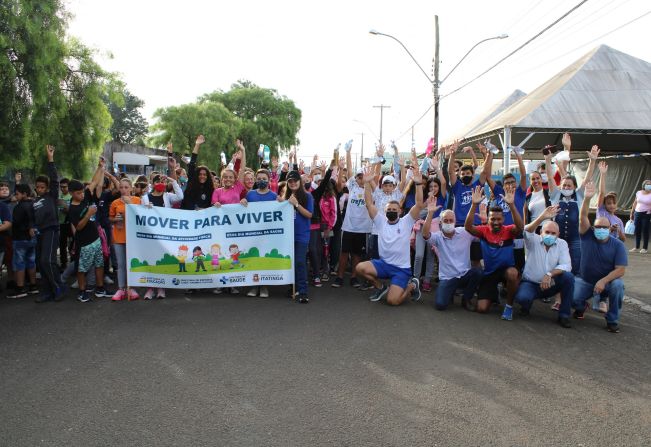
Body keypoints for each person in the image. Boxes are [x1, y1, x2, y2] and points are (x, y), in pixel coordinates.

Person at [355, 150, 424, 306]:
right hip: (384, 265)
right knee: (360, 268)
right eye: (389, 210)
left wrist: (419, 184)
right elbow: (369, 204)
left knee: (393, 301)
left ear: (400, 210)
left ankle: (412, 285)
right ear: (384, 211)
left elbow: (419, 204)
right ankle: (380, 287)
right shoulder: (380, 221)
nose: (391, 211)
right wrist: (366, 183)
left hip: (401, 269)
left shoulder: (406, 222)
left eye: (394, 210)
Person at [573, 182, 628, 333]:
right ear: (593, 228)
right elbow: (582, 216)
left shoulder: (617, 245)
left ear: (610, 228)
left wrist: (604, 281)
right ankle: (581, 306)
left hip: (607, 283)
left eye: (604, 227)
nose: (601, 229)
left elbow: (621, 270)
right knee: (572, 298)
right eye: (598, 227)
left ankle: (612, 319)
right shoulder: (587, 236)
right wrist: (587, 198)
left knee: (618, 286)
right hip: (586, 280)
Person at [464, 185, 524, 319]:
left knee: (513, 273)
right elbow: (468, 227)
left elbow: (520, 227)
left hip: (505, 271)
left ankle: (508, 307)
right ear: (489, 219)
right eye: (493, 219)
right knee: (481, 309)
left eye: (498, 219)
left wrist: (512, 205)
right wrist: (474, 204)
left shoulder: (508, 230)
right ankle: (493, 295)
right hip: (490, 273)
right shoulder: (484, 230)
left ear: (503, 219)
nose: (496, 222)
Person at [514, 205, 574, 327]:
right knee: (522, 298)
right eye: (547, 232)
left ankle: (564, 315)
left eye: (553, 233)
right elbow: (526, 230)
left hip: (551, 284)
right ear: (540, 232)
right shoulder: (533, 241)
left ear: (558, 234)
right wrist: (542, 217)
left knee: (568, 278)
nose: (550, 235)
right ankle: (526, 306)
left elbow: (566, 265)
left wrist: (549, 274)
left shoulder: (562, 244)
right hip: (531, 283)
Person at [67, 159, 112, 302]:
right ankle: (82, 291)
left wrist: (100, 168)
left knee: (99, 264)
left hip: (95, 239)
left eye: (82, 192)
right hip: (84, 243)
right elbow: (79, 226)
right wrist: (88, 214)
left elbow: (93, 183)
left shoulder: (85, 195)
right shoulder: (73, 208)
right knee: (82, 268)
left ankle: (100, 288)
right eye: (78, 193)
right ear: (71, 193)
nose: (82, 195)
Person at [421, 206, 480, 311]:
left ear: (455, 221)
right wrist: (430, 213)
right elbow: (425, 234)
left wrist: (483, 221)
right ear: (440, 223)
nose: (448, 223)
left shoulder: (465, 232)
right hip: (447, 278)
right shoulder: (438, 237)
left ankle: (466, 299)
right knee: (440, 305)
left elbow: (481, 234)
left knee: (478, 272)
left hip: (464, 274)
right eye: (445, 221)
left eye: (451, 220)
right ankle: (450, 292)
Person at [332, 141, 372, 289]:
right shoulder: (353, 185)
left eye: (362, 176)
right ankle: (340, 277)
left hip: (363, 228)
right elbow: (349, 170)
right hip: (349, 226)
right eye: (359, 176)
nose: (360, 178)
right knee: (344, 253)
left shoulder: (371, 189)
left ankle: (354, 277)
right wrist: (348, 152)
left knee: (357, 255)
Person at [481, 143, 527, 271]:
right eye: (507, 183)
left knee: (518, 266)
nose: (510, 185)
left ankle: (515, 289)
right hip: (501, 234)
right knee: (502, 264)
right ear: (504, 185)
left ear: (516, 184)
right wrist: (490, 154)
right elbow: (488, 176)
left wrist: (518, 156)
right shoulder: (499, 193)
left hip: (517, 234)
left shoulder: (520, 192)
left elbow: (523, 175)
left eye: (512, 182)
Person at [141, 173, 183, 299]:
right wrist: (145, 209)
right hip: (150, 236)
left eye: (163, 182)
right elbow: (140, 214)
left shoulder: (168, 196)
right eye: (158, 181)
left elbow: (180, 196)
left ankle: (161, 288)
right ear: (153, 184)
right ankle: (150, 289)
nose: (161, 183)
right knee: (150, 260)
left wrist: (172, 180)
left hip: (164, 236)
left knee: (160, 261)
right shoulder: (145, 198)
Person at [32, 145, 65, 302]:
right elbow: (32, 218)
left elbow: (54, 180)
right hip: (39, 232)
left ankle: (57, 287)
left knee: (48, 260)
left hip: (51, 231)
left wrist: (50, 159)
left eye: (42, 187)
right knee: (41, 262)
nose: (40, 189)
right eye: (38, 187)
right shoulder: (34, 201)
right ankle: (46, 291)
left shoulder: (51, 196)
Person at [447, 142, 486, 267]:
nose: (465, 176)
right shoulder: (457, 186)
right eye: (463, 174)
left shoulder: (477, 185)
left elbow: (485, 172)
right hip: (460, 226)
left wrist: (485, 154)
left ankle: (476, 282)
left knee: (475, 259)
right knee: (459, 257)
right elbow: (450, 172)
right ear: (459, 175)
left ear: (473, 175)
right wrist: (453, 155)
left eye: (468, 174)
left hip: (475, 226)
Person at [279, 170, 313, 303]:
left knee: (300, 261)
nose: (293, 183)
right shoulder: (285, 196)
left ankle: (303, 291)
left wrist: (297, 205)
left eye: (295, 181)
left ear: (300, 181)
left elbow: (309, 215)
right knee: (290, 262)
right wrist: (280, 203)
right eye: (290, 181)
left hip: (301, 235)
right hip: (287, 235)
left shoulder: (307, 197)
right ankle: (294, 287)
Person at [244, 168, 277, 298]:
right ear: (256, 181)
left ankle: (264, 286)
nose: (261, 181)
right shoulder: (250, 195)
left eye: (264, 179)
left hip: (267, 234)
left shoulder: (274, 196)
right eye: (259, 179)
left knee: (263, 259)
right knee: (254, 258)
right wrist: (243, 202)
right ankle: (254, 285)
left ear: (269, 180)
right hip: (253, 234)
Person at [109, 178, 141, 301]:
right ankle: (121, 288)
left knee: (131, 264)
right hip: (119, 237)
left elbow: (142, 216)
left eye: (126, 187)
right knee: (121, 264)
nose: (123, 190)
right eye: (121, 187)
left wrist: (130, 204)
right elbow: (110, 218)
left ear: (131, 188)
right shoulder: (115, 203)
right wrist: (114, 219)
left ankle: (131, 288)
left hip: (133, 238)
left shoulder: (137, 200)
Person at [7, 184, 38, 298]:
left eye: (17, 194)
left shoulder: (19, 207)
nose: (15, 196)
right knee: (31, 261)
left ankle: (20, 288)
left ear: (24, 194)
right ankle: (33, 285)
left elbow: (15, 222)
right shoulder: (34, 204)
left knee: (19, 263)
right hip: (32, 238)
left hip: (20, 238)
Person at [181, 135, 214, 211]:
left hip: (202, 220)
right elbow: (192, 164)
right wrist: (197, 145)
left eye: (205, 175)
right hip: (187, 217)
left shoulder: (210, 189)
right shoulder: (191, 182)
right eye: (200, 174)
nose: (202, 176)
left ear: (208, 176)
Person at [596, 162, 625, 243]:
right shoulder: (601, 211)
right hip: (599, 244)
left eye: (614, 203)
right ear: (604, 204)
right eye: (609, 203)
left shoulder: (618, 221)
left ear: (616, 204)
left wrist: (618, 230)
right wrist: (603, 174)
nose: (612, 205)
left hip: (612, 247)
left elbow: (623, 239)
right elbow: (601, 192)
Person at [629, 179, 651, 254]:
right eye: (648, 184)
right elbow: (635, 202)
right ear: (644, 185)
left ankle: (645, 248)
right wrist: (632, 212)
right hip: (637, 213)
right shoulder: (638, 193)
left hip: (646, 214)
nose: (649, 186)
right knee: (637, 230)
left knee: (645, 230)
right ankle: (636, 247)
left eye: (650, 184)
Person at [58, 178, 71, 268]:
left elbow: (72, 211)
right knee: (62, 245)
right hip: (60, 223)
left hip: (70, 224)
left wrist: (65, 206)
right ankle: (63, 263)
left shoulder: (72, 196)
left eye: (64, 187)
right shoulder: (59, 196)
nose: (62, 189)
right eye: (61, 187)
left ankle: (73, 262)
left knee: (72, 245)